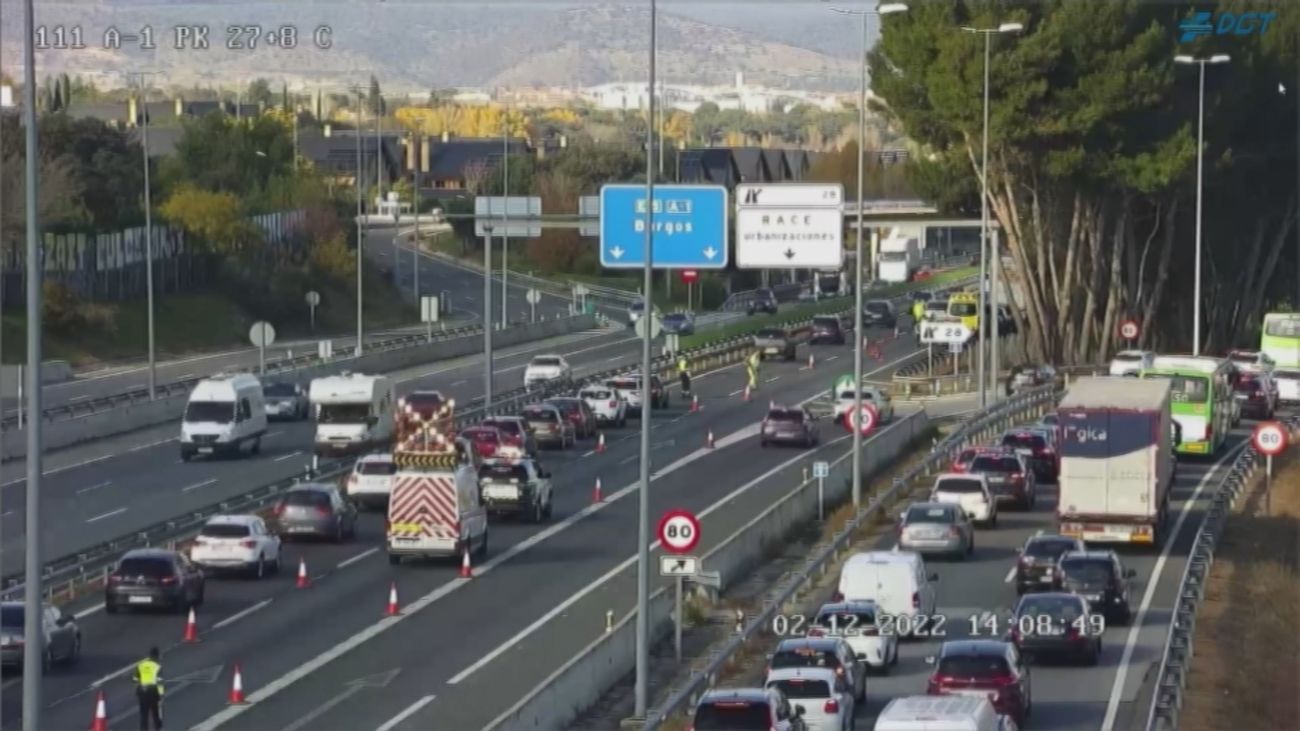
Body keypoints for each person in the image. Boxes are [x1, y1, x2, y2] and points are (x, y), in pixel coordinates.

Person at [134, 646, 165, 730]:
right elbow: (159, 681)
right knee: (156, 714)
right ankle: (158, 729)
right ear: (157, 655)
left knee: (144, 714)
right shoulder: (157, 666)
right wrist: (161, 694)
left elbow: (135, 679)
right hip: (153, 692)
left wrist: (137, 691)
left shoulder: (141, 665)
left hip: (142, 692)